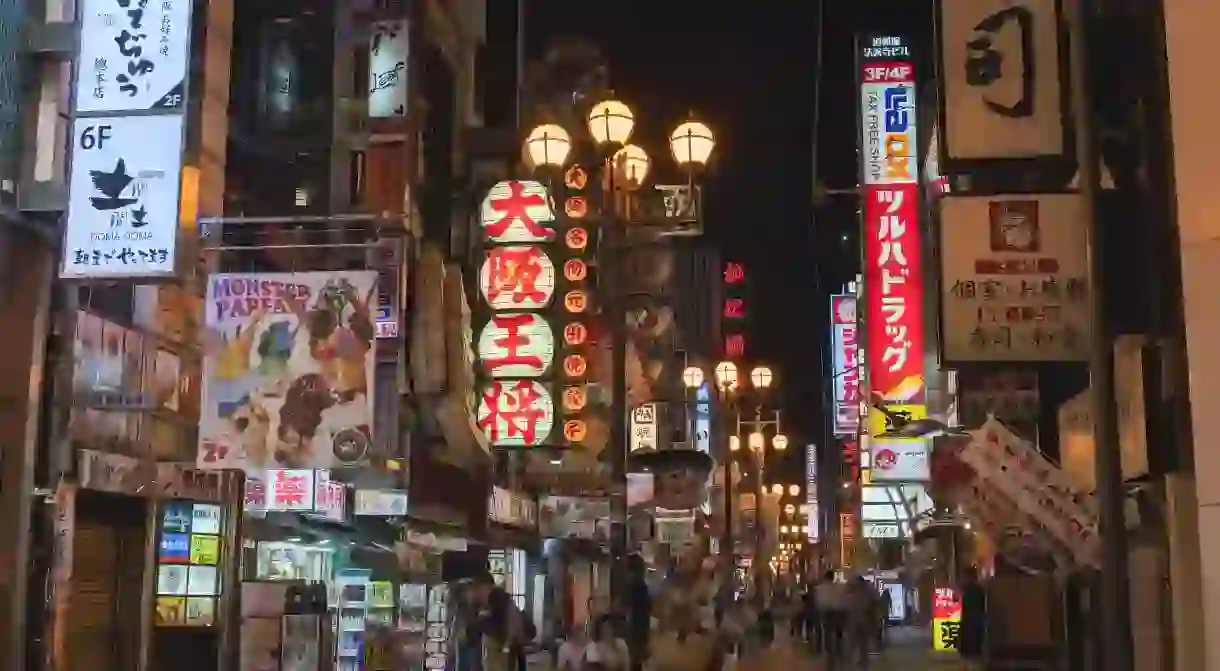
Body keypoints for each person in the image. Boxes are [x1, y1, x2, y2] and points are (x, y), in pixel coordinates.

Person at [815, 571, 849, 667]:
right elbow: (844, 600)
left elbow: (820, 603)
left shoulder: (821, 588)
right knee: (839, 633)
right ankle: (839, 652)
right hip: (839, 612)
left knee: (827, 633)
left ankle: (830, 655)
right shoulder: (839, 587)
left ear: (825, 578)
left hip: (827, 613)